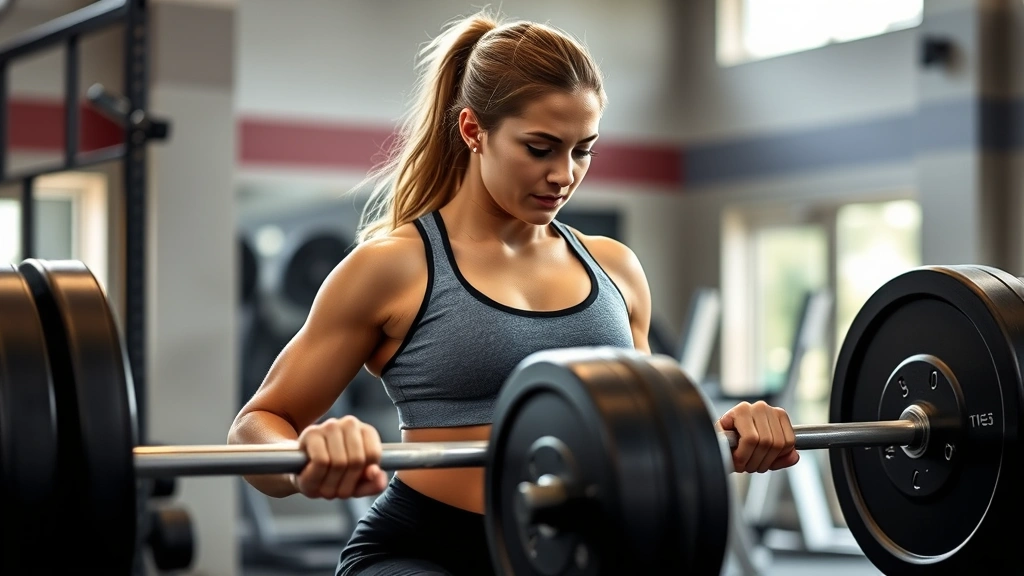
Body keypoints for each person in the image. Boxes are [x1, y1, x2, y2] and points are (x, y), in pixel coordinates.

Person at [228, 9, 799, 576]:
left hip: (583, 549)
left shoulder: (615, 267)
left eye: (583, 150)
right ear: (474, 130)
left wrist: (730, 433)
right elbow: (257, 424)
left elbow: (645, 436)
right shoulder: (394, 266)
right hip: (429, 551)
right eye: (540, 148)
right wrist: (307, 459)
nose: (565, 175)